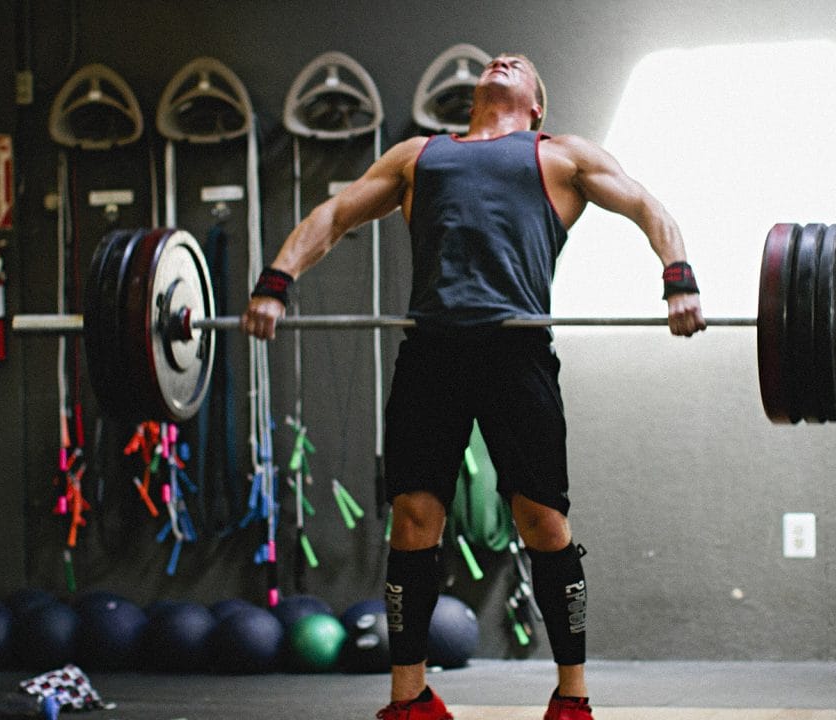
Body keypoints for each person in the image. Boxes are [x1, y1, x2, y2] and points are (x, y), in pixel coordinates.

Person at [242, 53, 705, 720]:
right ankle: (410, 700)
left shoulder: (561, 155)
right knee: (414, 519)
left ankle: (571, 697)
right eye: (496, 61)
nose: (503, 60)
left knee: (543, 522)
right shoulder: (418, 155)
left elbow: (645, 205)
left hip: (516, 352)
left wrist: (678, 278)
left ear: (536, 104)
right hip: (432, 351)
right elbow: (336, 214)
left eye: (520, 65)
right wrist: (275, 283)